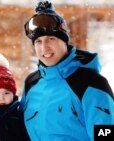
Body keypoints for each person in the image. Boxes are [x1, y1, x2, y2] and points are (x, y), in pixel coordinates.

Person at [20, 1, 114, 141]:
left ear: (64, 42)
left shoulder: (91, 84)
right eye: (38, 41)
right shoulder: (31, 83)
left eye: (51, 39)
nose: (44, 47)